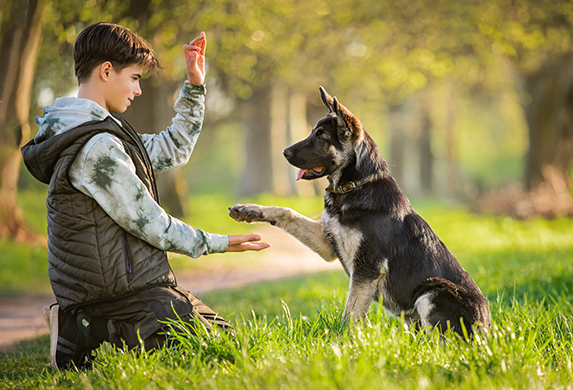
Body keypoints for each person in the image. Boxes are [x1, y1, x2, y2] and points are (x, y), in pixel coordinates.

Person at [21, 22, 270, 370]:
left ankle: (83, 328)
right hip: (119, 294)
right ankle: (82, 326)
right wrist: (219, 242)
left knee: (223, 343)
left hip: (126, 286)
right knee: (222, 350)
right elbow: (151, 223)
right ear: (106, 71)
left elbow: (172, 150)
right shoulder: (96, 148)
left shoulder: (101, 132)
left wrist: (195, 87)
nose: (138, 90)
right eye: (135, 78)